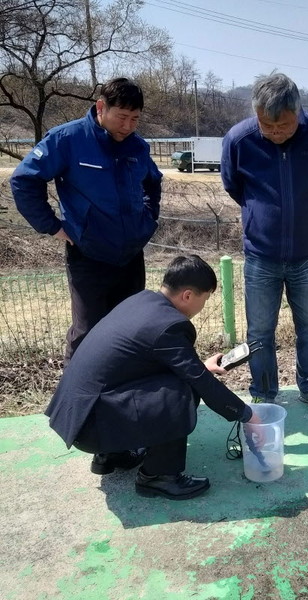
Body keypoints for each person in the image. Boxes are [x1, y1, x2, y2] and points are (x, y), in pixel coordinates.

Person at [45, 255, 262, 501]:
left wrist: (201, 367)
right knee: (182, 390)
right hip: (92, 427)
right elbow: (198, 381)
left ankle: (112, 454)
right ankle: (158, 477)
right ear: (188, 296)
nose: (202, 307)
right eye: (205, 298)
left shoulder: (141, 301)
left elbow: (142, 364)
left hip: (76, 416)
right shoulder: (171, 326)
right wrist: (248, 416)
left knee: (177, 380)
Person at [10, 77, 162, 363]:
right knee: (88, 332)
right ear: (101, 107)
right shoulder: (67, 139)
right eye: (122, 117)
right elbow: (24, 180)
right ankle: (78, 402)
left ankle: (121, 397)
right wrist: (52, 226)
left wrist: (148, 219)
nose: (128, 126)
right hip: (88, 254)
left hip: (130, 254)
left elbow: (153, 182)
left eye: (135, 119)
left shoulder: (138, 147)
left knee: (129, 329)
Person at [221, 72, 308, 414]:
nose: (274, 133)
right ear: (256, 114)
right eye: (266, 126)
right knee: (260, 331)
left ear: (298, 112)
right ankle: (263, 393)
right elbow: (234, 187)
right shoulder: (239, 140)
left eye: (283, 126)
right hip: (261, 255)